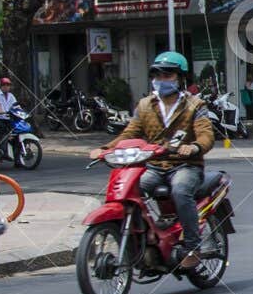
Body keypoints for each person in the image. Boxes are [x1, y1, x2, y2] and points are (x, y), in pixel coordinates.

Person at [91, 52, 215, 270]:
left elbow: (206, 135)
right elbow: (130, 133)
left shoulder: (195, 104)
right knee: (131, 189)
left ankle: (192, 247)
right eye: (157, 74)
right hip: (154, 165)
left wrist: (194, 147)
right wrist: (106, 148)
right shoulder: (145, 105)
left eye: (167, 75)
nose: (161, 79)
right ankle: (144, 235)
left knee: (180, 190)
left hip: (185, 165)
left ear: (180, 77)